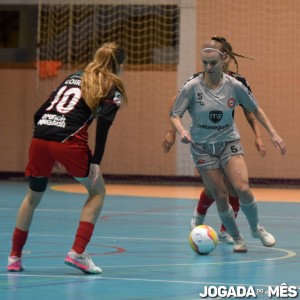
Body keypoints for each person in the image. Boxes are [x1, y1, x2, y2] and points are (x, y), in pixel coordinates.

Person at [7, 42, 128, 274]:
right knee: (97, 192)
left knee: (32, 197)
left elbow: (39, 113)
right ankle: (77, 252)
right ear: (119, 65)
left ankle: (14, 257)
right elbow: (104, 125)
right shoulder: (112, 86)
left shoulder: (75, 76)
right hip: (69, 141)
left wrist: (47, 141)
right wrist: (95, 162)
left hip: (40, 137)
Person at [170, 38, 286, 252]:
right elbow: (175, 113)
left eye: (212, 63)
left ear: (223, 60)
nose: (208, 67)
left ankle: (256, 228)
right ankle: (236, 237)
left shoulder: (235, 85)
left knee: (242, 188)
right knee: (220, 195)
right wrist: (180, 131)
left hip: (228, 142)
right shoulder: (192, 86)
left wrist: (273, 134)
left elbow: (255, 110)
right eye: (204, 63)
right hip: (202, 147)